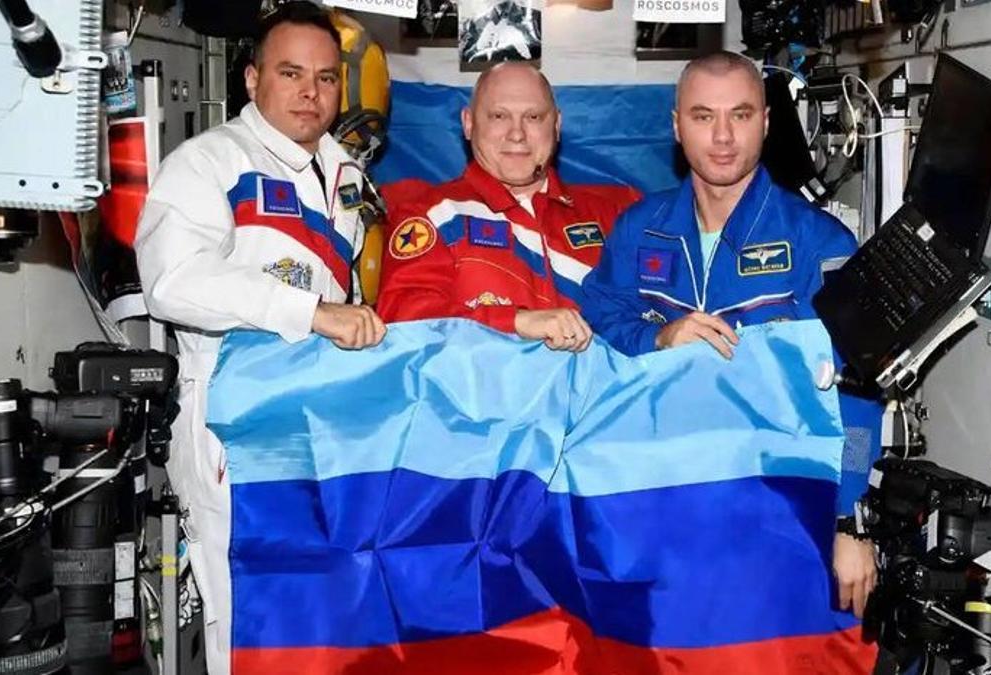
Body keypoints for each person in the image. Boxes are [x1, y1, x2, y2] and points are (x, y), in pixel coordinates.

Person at [580, 52, 881, 623]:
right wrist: (656, 339)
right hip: (658, 501)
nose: (722, 137)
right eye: (702, 116)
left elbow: (857, 391)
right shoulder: (639, 228)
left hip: (777, 511)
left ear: (766, 123)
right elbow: (599, 320)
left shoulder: (820, 243)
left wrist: (847, 519)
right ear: (676, 126)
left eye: (740, 115)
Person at [133, 5, 385, 673]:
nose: (311, 92)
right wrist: (306, 312)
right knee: (246, 616)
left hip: (324, 426)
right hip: (233, 428)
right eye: (291, 73)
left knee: (323, 615)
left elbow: (354, 299)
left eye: (327, 77)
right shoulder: (208, 163)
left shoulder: (348, 176)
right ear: (251, 79)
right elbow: (172, 282)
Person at [377, 62, 639, 351]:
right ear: (468, 123)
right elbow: (404, 319)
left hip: (605, 394)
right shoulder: (431, 215)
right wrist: (516, 322)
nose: (517, 134)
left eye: (534, 117)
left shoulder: (618, 213)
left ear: (557, 125)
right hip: (479, 394)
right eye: (499, 116)